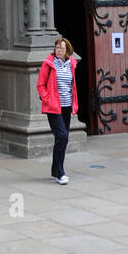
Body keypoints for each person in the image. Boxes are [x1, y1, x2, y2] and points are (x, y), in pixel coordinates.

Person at [37, 36, 78, 185]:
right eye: (57, 48)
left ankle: (56, 170)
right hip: (53, 107)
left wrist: (74, 102)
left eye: (61, 48)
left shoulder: (71, 64)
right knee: (62, 135)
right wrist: (47, 99)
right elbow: (40, 85)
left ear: (67, 50)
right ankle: (60, 172)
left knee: (63, 138)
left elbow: (72, 86)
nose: (58, 50)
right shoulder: (49, 64)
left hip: (67, 106)